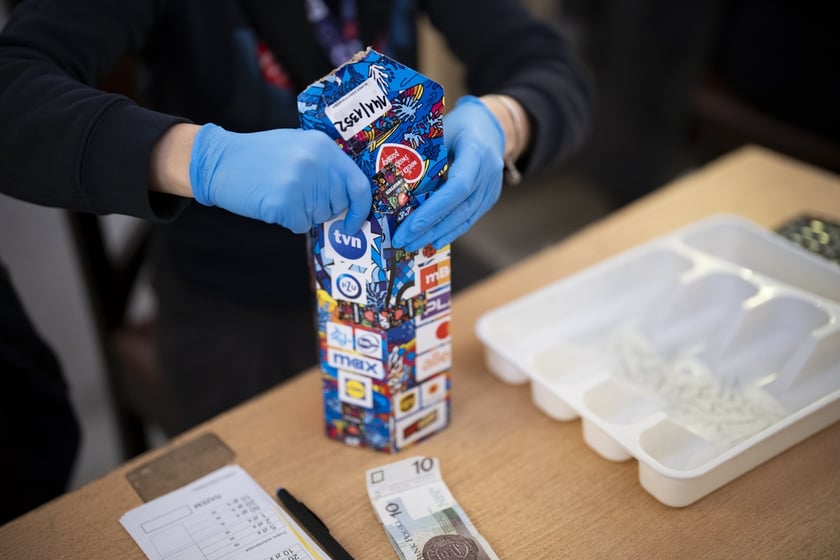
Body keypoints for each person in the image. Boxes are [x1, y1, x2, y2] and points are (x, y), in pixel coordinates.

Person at [0, 1, 590, 437]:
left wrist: (506, 122)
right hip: (237, 302)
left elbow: (550, 68)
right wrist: (199, 160)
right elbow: (14, 92)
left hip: (405, 267)